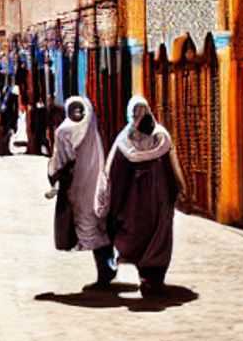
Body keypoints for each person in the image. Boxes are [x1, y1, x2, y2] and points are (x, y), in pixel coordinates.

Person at [95, 96, 187, 296]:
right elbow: (114, 172)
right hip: (138, 202)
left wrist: (177, 187)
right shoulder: (129, 140)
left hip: (153, 198)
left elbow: (170, 164)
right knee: (142, 234)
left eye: (140, 112)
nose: (138, 117)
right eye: (135, 113)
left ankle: (152, 278)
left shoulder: (156, 136)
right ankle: (148, 277)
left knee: (157, 233)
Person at [48, 96, 116, 288]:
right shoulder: (93, 127)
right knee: (97, 224)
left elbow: (60, 160)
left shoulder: (63, 131)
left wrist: (52, 174)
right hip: (96, 183)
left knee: (85, 225)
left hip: (76, 186)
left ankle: (105, 271)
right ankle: (107, 267)